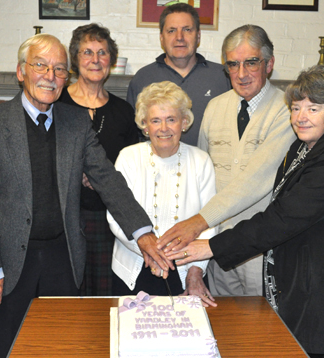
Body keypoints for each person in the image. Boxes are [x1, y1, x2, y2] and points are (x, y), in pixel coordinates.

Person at [0, 33, 172, 358]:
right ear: (22, 72)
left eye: (59, 69)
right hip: (8, 263)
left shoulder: (76, 122)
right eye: (41, 66)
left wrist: (143, 235)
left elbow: (108, 179)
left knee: (61, 346)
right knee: (9, 348)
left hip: (63, 258)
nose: (50, 76)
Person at [167, 65, 324, 357]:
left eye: (313, 108)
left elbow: (283, 218)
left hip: (323, 289)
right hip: (303, 280)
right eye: (296, 108)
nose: (301, 117)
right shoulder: (304, 147)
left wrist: (210, 247)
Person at [158, 24, 296, 297]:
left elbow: (255, 180)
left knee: (261, 324)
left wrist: (196, 223)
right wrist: (200, 252)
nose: (242, 74)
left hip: (261, 244)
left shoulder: (287, 110)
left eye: (251, 62)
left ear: (269, 64)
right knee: (223, 325)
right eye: (233, 65)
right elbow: (202, 180)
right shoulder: (214, 107)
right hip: (218, 243)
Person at [107, 81, 218, 307]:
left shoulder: (201, 160)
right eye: (155, 120)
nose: (163, 128)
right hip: (133, 266)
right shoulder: (128, 157)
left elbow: (210, 221)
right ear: (144, 125)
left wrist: (195, 271)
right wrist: (151, 252)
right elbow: (116, 215)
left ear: (184, 123)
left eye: (171, 119)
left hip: (187, 267)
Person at [58, 23, 139, 296]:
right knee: (69, 292)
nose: (95, 60)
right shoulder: (57, 106)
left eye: (102, 53)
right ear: (75, 60)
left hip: (109, 220)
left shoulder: (124, 112)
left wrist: (103, 179)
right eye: (87, 52)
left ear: (111, 61)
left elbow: (133, 163)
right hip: (66, 218)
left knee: (105, 296)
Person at [126, 3, 231, 146]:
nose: (179, 37)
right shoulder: (143, 78)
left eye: (187, 30)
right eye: (171, 31)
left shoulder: (222, 76)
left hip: (211, 166)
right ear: (162, 38)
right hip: (157, 165)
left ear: (198, 36)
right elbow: (134, 136)